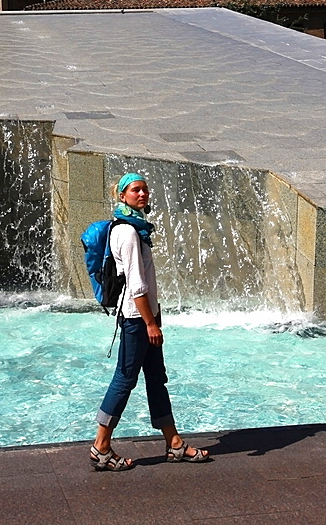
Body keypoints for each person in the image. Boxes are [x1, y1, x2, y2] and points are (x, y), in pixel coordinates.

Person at [90, 172, 210, 471]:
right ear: (122, 196)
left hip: (146, 316)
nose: (142, 195)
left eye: (145, 190)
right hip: (136, 319)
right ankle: (101, 446)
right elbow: (136, 284)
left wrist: (154, 317)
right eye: (135, 190)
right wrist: (150, 323)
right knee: (125, 378)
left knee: (156, 378)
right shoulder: (127, 232)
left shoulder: (138, 228)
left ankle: (174, 443)